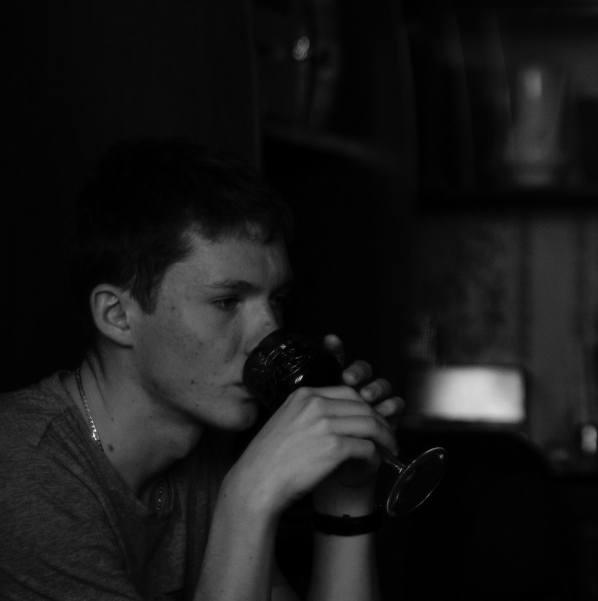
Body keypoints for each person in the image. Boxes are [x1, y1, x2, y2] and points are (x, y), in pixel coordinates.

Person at [0, 138, 404, 600]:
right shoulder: (22, 474)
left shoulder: (202, 451)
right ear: (117, 315)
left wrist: (344, 498)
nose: (268, 335)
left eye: (277, 300)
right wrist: (248, 498)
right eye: (227, 301)